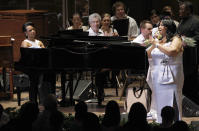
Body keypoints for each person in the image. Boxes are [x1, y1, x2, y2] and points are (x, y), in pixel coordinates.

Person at [146, 19, 184, 123]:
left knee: (173, 99)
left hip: (173, 73)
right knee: (160, 100)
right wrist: (155, 43)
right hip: (158, 74)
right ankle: (161, 123)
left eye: (161, 25)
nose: (159, 26)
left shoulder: (176, 39)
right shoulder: (161, 40)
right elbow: (149, 54)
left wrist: (157, 44)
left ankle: (176, 123)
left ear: (167, 27)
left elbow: (172, 52)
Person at [21, 22, 55, 104]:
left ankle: (47, 100)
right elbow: (26, 57)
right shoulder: (25, 43)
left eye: (33, 29)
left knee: (50, 75)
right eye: (30, 30)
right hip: (31, 67)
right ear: (26, 33)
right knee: (35, 79)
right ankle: (33, 102)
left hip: (41, 66)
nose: (33, 31)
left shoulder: (39, 42)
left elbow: (45, 53)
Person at [177, 1, 199, 104]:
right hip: (181, 57)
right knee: (184, 83)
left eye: (182, 9)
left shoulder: (196, 21)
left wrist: (187, 41)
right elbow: (178, 34)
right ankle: (185, 106)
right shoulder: (182, 21)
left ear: (188, 10)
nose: (179, 11)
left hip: (192, 57)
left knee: (191, 83)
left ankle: (194, 107)